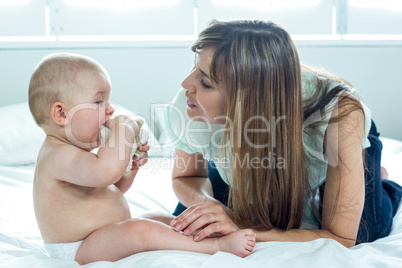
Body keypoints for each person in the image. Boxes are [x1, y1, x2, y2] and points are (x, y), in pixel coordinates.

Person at [164, 20, 402, 247]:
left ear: (247, 99)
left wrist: (240, 227)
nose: (186, 83)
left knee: (364, 230)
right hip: (241, 138)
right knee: (196, 219)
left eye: (206, 83)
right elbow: (186, 177)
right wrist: (211, 206)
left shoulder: (341, 115)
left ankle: (381, 182)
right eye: (194, 66)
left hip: (333, 139)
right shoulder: (191, 101)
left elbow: (340, 237)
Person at [28, 53, 256, 265]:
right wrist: (124, 128)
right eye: (99, 102)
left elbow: (106, 187)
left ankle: (205, 231)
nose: (110, 110)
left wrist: (129, 169)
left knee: (161, 219)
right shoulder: (57, 155)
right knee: (140, 231)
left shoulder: (75, 153)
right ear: (61, 114)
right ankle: (217, 245)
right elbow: (106, 171)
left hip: (98, 235)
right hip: (77, 248)